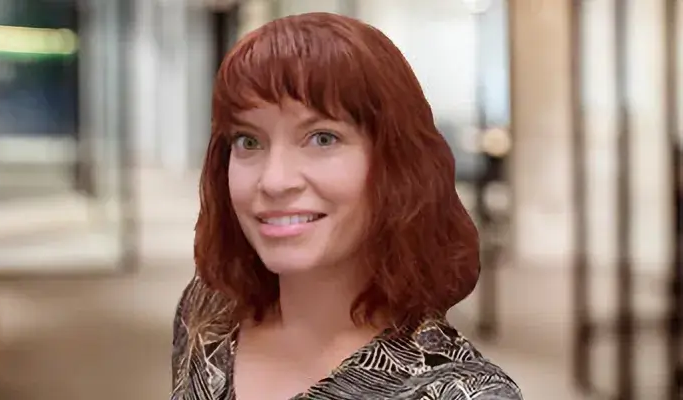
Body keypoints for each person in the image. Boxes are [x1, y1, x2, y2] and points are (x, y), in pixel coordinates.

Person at [171, 12, 523, 400]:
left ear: (396, 164)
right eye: (249, 142)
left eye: (322, 138)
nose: (274, 181)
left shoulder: (458, 393)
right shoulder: (210, 313)